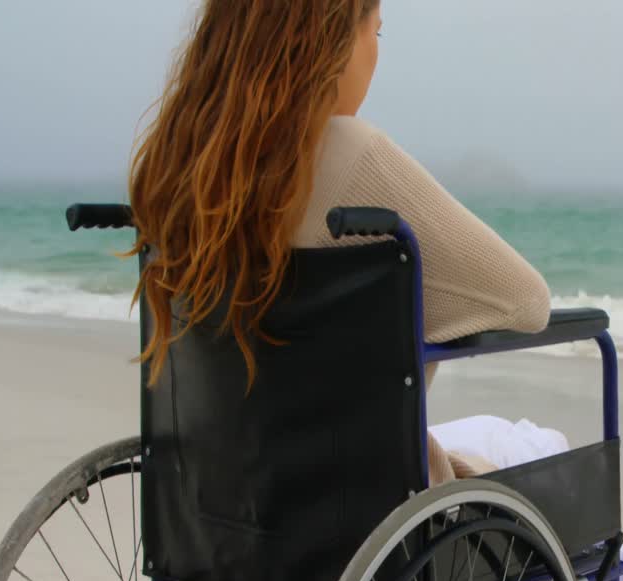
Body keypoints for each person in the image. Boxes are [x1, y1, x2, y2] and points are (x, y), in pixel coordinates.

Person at [129, 0, 555, 485]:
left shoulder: (181, 173)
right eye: (377, 32)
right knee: (542, 447)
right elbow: (526, 302)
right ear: (329, 42)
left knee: (493, 438)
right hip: (366, 513)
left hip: (226, 510)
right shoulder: (348, 151)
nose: (376, 54)